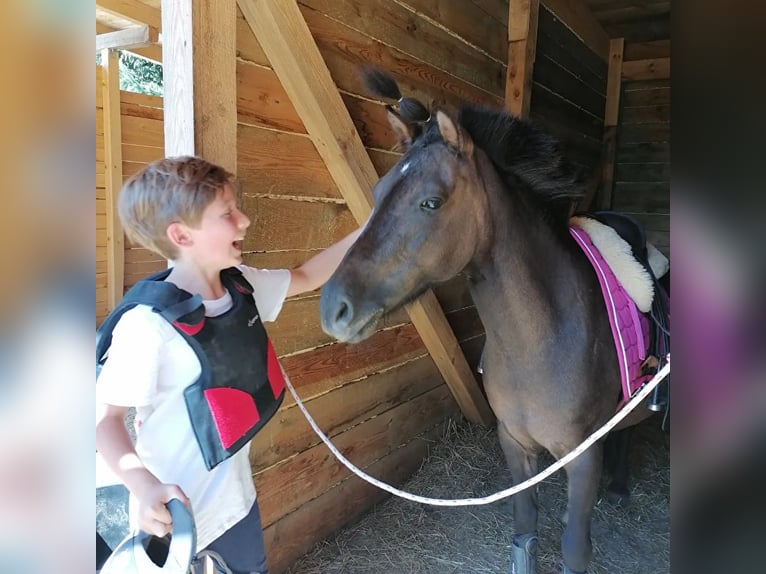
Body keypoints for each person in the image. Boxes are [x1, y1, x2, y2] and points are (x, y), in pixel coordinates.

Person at [96, 156, 365, 573]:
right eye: (227, 214)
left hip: (237, 506)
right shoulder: (148, 326)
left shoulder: (241, 284)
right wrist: (143, 486)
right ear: (181, 235)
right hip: (171, 520)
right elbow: (106, 421)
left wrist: (372, 228)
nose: (244, 221)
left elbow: (307, 276)